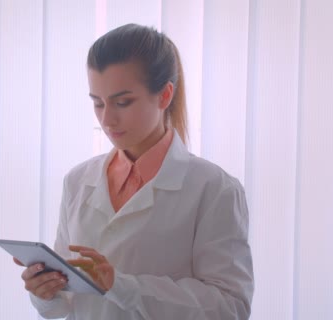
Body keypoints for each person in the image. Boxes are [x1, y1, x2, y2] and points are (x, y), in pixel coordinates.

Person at [15, 23, 254, 319]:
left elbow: (230, 308)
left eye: (123, 102)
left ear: (165, 96)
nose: (108, 119)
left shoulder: (214, 189)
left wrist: (120, 285)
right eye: (98, 103)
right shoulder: (78, 181)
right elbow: (64, 305)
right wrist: (45, 292)